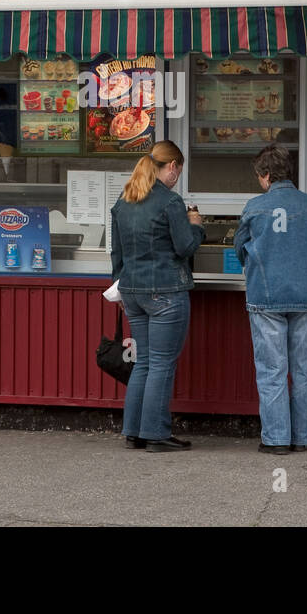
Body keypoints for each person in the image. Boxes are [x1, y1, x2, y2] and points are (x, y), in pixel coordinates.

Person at [233, 145, 307, 455]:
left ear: (265, 175)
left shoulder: (254, 207)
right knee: (304, 370)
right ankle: (301, 438)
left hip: (265, 297)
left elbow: (240, 249)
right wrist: (305, 270)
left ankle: (276, 439)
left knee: (271, 369)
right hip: (305, 297)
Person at [109, 140, 205, 453]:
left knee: (144, 363)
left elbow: (117, 254)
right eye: (180, 167)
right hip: (165, 292)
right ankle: (156, 434)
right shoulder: (170, 202)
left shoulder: (125, 200)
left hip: (132, 292)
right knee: (162, 364)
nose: (178, 174)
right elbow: (185, 248)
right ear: (172, 167)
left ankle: (134, 432)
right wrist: (197, 226)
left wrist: (120, 287)